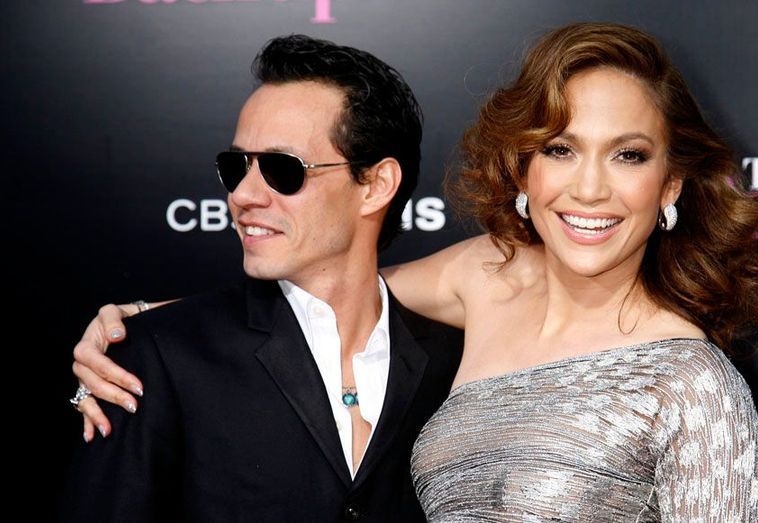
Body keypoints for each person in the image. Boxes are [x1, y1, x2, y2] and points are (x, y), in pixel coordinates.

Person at [70, 23, 758, 521]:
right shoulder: (487, 276)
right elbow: (332, 296)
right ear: (523, 167)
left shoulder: (693, 383)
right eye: (559, 149)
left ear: (670, 185)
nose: (589, 188)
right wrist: (144, 323)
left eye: (628, 155)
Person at [61, 34, 463, 521]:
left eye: (281, 169)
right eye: (236, 167)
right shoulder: (157, 355)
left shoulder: (461, 360)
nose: (244, 195)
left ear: (376, 185)